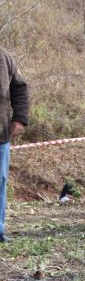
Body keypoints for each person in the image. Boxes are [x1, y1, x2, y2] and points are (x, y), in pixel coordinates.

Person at [0, 46, 29, 243]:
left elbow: (20, 87)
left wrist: (20, 118)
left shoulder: (3, 56)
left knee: (0, 182)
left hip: (0, 133)